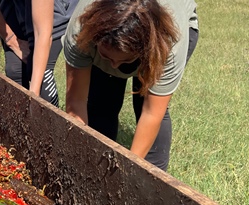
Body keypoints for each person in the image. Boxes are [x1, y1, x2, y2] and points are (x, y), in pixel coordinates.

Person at [63, 0, 199, 171]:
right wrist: (80, 155)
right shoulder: (80, 32)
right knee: (102, 102)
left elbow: (151, 114)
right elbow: (76, 102)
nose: (114, 66)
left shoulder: (170, 46)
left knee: (144, 104)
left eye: (124, 60)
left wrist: (127, 172)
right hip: (98, 39)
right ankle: (96, 168)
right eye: (107, 57)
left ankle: (152, 180)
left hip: (164, 38)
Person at [0, 0, 79, 107]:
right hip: (14, 6)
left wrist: (33, 95)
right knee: (15, 70)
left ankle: (50, 120)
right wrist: (12, 41)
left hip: (52, 10)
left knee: (41, 75)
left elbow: (43, 33)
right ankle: (19, 120)